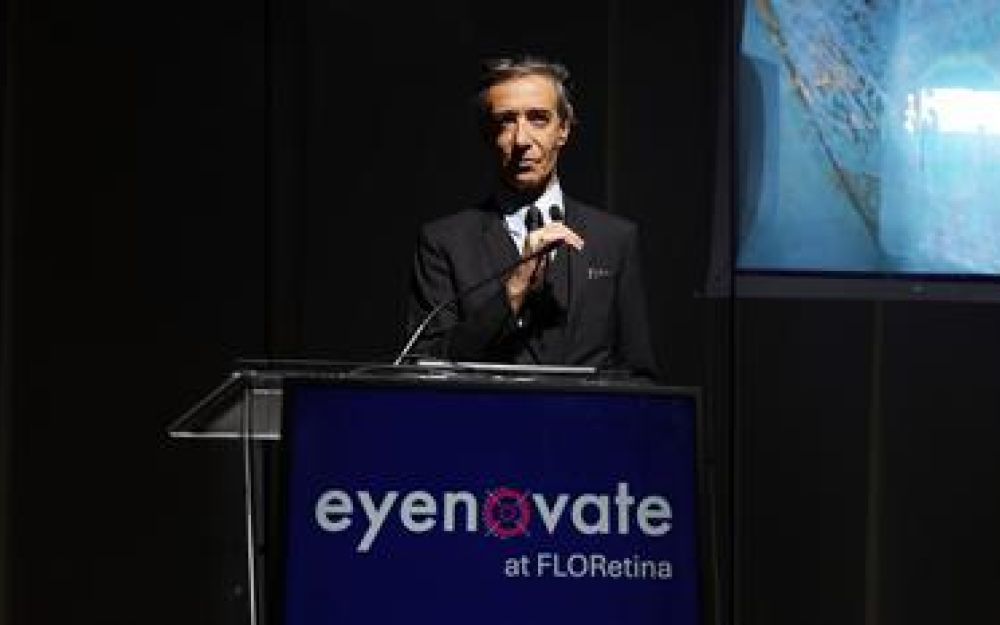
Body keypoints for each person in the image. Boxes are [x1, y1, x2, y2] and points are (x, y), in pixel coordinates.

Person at [404, 55, 658, 378]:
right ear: (488, 135)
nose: (522, 140)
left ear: (563, 130)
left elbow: (639, 374)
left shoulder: (615, 240)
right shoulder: (445, 242)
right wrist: (513, 291)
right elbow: (425, 368)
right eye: (506, 121)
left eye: (538, 119)